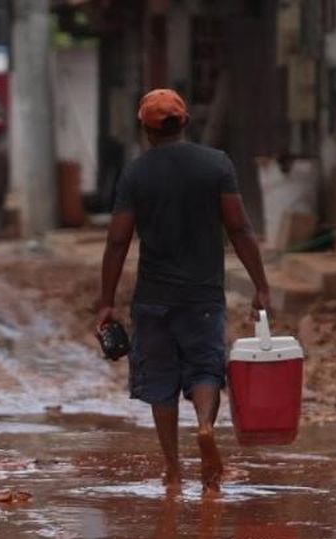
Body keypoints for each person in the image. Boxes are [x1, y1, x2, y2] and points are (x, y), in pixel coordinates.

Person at [96, 88, 271, 494]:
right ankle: (206, 428)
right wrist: (260, 284)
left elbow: (118, 240)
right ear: (185, 122)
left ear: (145, 130)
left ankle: (173, 468)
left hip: (153, 296)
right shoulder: (216, 165)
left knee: (160, 380)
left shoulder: (136, 174)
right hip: (204, 294)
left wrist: (106, 301)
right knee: (206, 367)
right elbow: (239, 227)